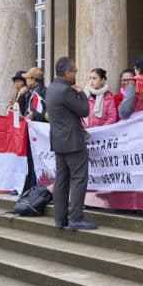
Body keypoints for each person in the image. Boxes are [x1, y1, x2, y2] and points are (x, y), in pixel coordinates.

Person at [46, 56, 98, 231]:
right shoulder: (66, 90)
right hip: (73, 143)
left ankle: (60, 220)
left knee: (61, 180)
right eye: (74, 71)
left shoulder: (51, 88)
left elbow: (64, 115)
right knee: (78, 179)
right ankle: (75, 218)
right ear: (67, 72)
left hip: (59, 141)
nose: (76, 74)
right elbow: (83, 111)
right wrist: (82, 92)